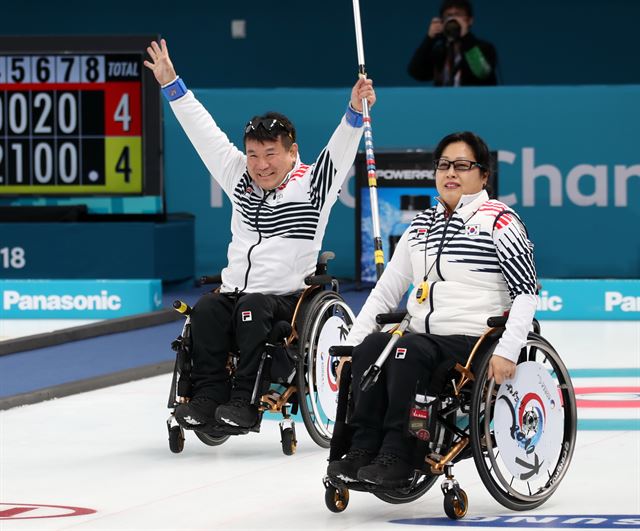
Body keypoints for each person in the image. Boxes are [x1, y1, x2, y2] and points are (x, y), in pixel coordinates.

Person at [144, 39, 376, 431]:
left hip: (283, 299)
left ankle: (244, 402)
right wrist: (171, 85)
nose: (260, 164)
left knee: (252, 309)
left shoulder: (313, 184)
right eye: (253, 154)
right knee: (205, 311)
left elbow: (339, 149)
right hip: (233, 292)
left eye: (270, 154)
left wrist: (355, 110)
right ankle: (206, 397)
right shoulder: (239, 176)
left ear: (292, 152)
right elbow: (205, 134)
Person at [327, 131, 537, 487]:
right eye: (443, 165)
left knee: (407, 350)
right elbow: (385, 291)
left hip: (473, 338)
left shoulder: (501, 222)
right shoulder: (422, 225)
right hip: (423, 336)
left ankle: (399, 453)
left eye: (462, 165)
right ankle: (363, 448)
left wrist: (508, 350)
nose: (450, 173)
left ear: (484, 175)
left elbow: (527, 293)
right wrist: (355, 342)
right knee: (373, 348)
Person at [408, 0, 498, 86]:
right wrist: (430, 39)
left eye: (458, 15)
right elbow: (415, 72)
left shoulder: (484, 47)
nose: (453, 19)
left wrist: (466, 37)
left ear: (470, 20)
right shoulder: (440, 51)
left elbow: (482, 73)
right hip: (444, 101)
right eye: (448, 15)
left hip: (475, 101)